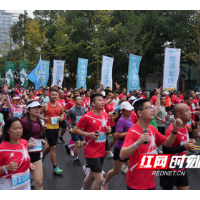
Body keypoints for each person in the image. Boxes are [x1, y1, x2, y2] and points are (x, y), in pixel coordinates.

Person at [119, 98, 182, 190]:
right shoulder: (132, 131)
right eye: (148, 108)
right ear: (139, 113)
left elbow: (168, 143)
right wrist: (138, 143)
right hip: (136, 184)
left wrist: (175, 130)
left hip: (151, 182)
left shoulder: (152, 129)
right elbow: (122, 155)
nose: (152, 110)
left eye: (152, 107)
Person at [74, 93, 111, 190]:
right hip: (91, 152)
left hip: (101, 150)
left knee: (91, 174)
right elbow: (76, 129)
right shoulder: (87, 116)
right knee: (99, 179)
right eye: (99, 100)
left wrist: (108, 129)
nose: (102, 102)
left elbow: (108, 128)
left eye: (103, 100)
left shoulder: (106, 115)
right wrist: (88, 134)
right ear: (93, 103)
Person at [160, 103, 195, 190]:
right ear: (178, 114)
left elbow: (189, 130)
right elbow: (165, 149)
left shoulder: (186, 125)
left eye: (189, 110)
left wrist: (192, 138)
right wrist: (184, 148)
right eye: (187, 111)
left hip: (181, 166)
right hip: (169, 168)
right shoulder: (172, 130)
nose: (190, 112)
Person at [101, 102, 133, 190]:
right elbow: (118, 136)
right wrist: (130, 132)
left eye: (131, 109)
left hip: (129, 148)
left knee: (133, 169)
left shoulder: (129, 118)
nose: (131, 111)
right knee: (116, 171)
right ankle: (104, 182)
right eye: (128, 109)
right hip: (120, 148)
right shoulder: (121, 120)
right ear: (123, 111)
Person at [0, 117, 35, 190]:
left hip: (26, 183)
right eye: (15, 128)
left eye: (20, 128)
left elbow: (23, 158)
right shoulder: (2, 148)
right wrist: (6, 167)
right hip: (8, 185)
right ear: (8, 130)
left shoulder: (24, 143)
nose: (18, 131)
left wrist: (28, 164)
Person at [21, 100, 47, 190]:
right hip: (24, 154)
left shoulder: (39, 120)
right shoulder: (23, 122)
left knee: (39, 182)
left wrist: (41, 140)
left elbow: (34, 135)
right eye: (34, 108)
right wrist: (26, 144)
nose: (37, 109)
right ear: (28, 110)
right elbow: (14, 140)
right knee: (23, 185)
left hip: (36, 153)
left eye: (38, 107)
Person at [39, 89, 64, 174]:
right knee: (53, 147)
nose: (54, 96)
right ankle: (55, 167)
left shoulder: (59, 105)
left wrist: (61, 117)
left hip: (56, 127)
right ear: (49, 96)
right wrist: (43, 118)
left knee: (51, 145)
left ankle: (42, 156)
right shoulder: (45, 105)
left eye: (55, 95)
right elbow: (38, 113)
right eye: (52, 95)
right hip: (48, 128)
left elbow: (62, 113)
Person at [64, 96, 85, 166]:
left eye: (81, 99)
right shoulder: (71, 110)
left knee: (81, 144)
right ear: (75, 101)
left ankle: (68, 147)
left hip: (81, 129)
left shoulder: (83, 109)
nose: (80, 100)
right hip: (74, 129)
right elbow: (66, 119)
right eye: (78, 99)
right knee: (78, 144)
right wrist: (70, 127)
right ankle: (76, 159)